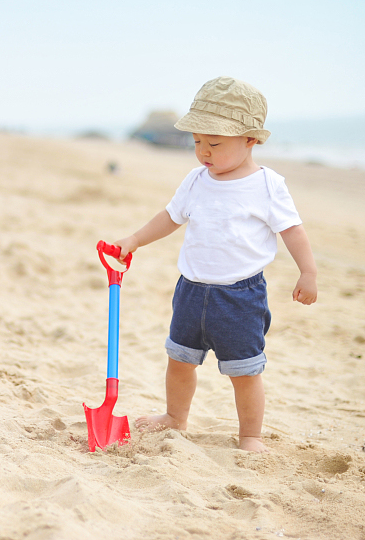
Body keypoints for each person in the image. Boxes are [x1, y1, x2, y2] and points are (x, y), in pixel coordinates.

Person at [114, 76, 318, 452]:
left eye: (215, 143)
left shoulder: (267, 185)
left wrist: (307, 272)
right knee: (179, 361)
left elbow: (293, 231)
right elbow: (171, 217)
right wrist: (135, 240)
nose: (203, 151)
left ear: (250, 140)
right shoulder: (196, 181)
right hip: (191, 290)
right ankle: (175, 416)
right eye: (197, 142)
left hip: (240, 297)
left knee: (244, 372)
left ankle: (250, 435)